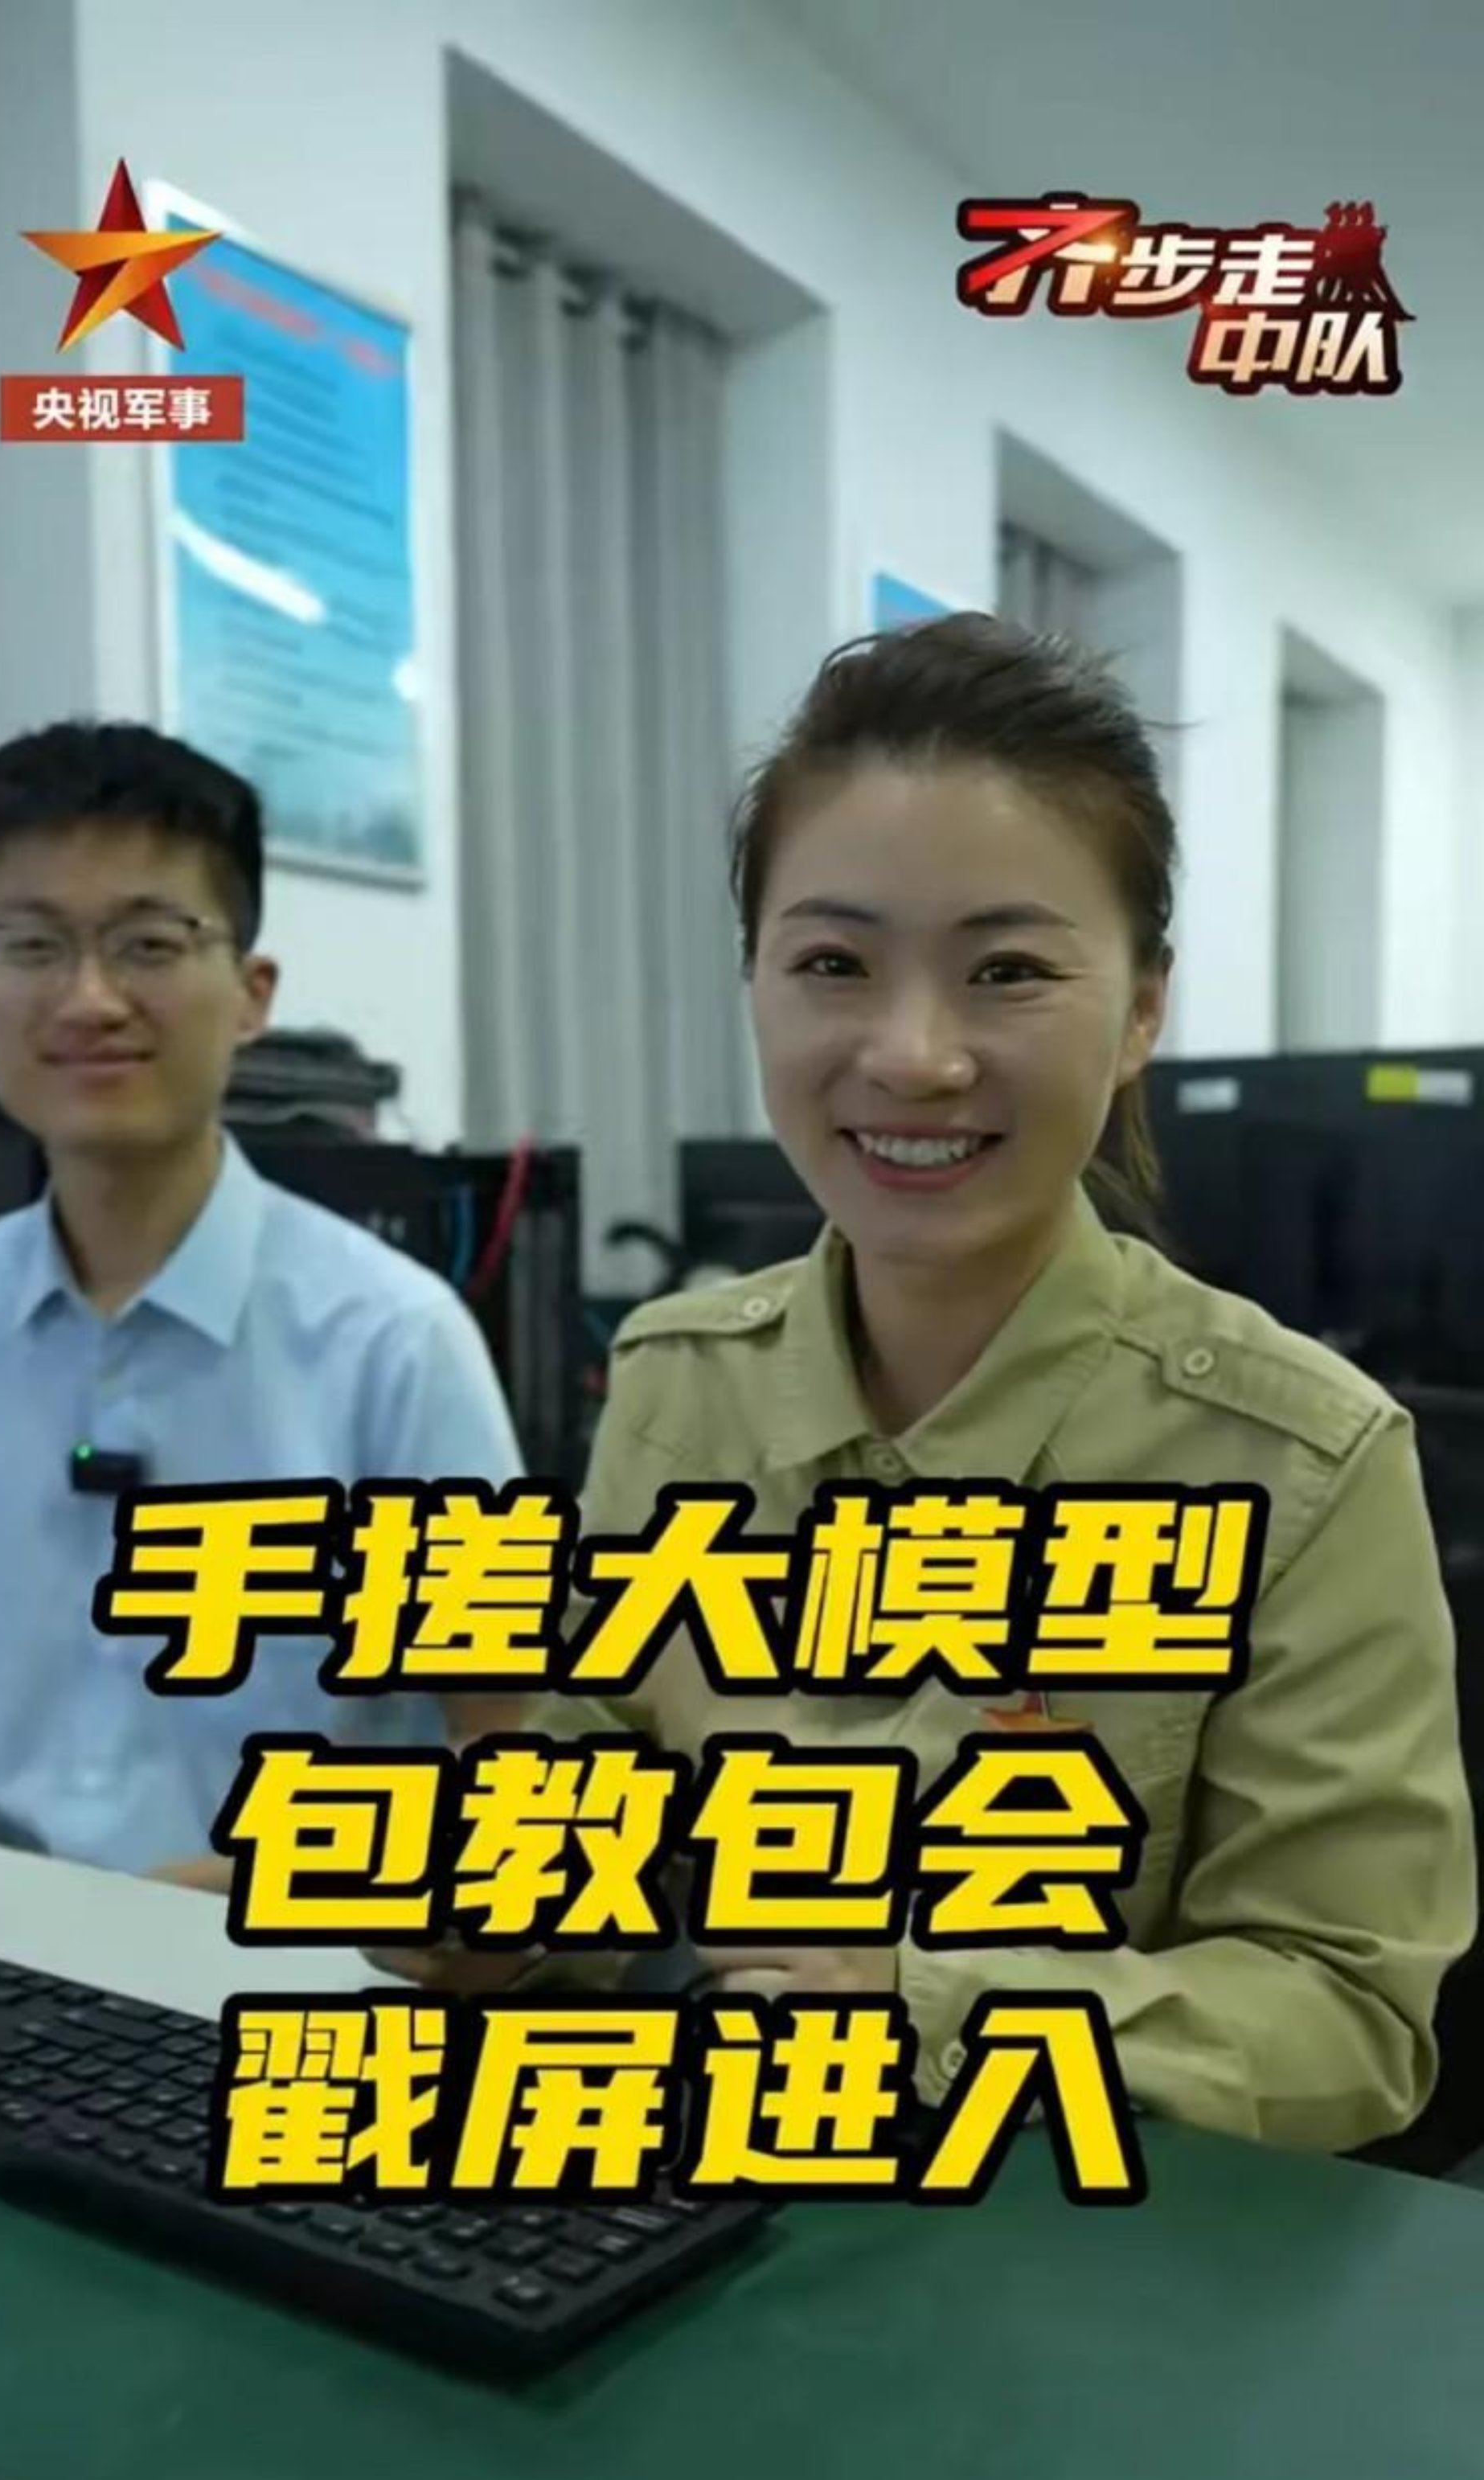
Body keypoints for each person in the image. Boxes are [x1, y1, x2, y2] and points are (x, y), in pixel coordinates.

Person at [427, 613, 1475, 2155]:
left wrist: (918, 1995)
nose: (914, 1054)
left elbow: (1348, 2015)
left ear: (1142, 1009)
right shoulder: (677, 1383)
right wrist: (488, 1921)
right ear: (756, 983)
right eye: (833, 964)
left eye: (1008, 971)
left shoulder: (1300, 1459)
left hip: (1079, 2235)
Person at [0, 720, 523, 1877]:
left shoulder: (393, 1342)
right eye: (31, 944)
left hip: (294, 1947)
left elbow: (507, 1761)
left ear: (251, 994)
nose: (89, 999)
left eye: (148, 943)